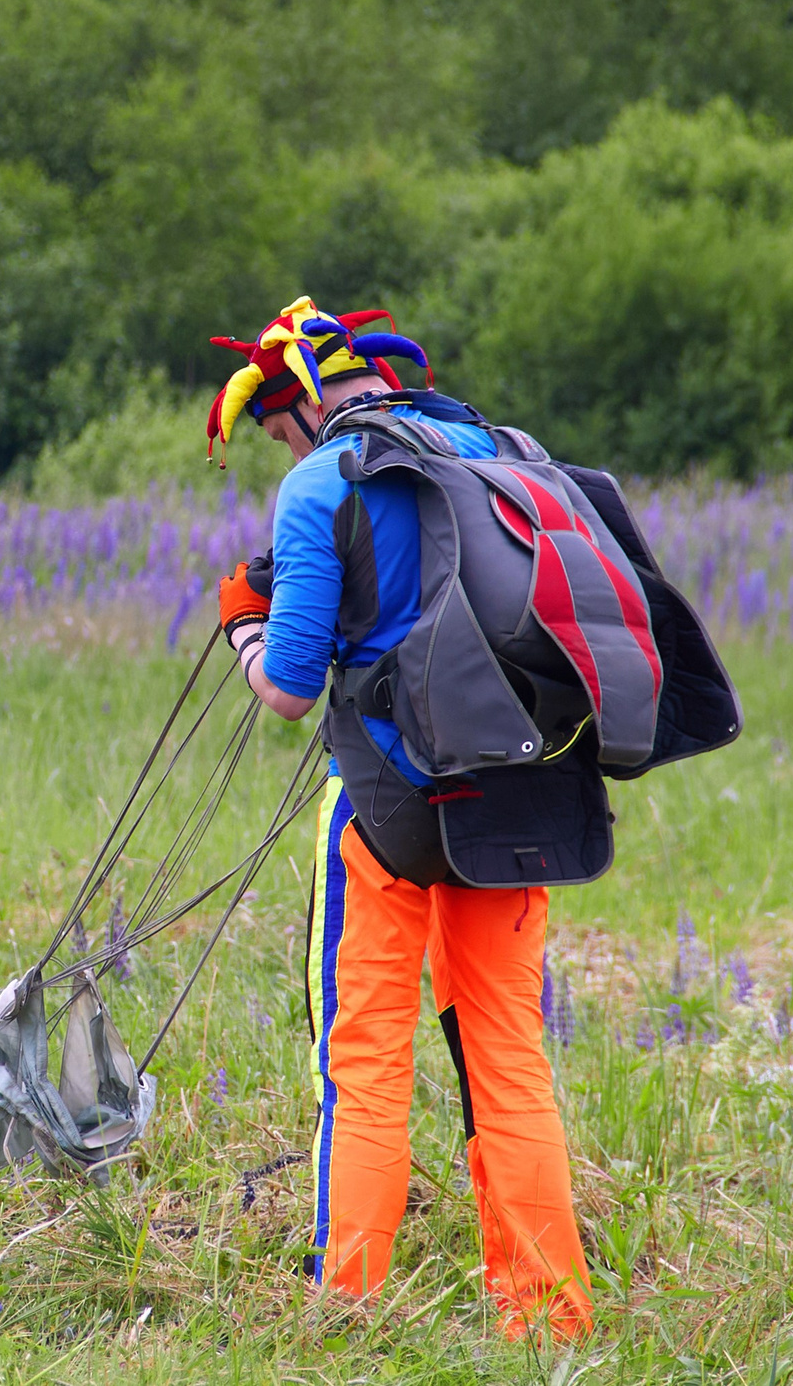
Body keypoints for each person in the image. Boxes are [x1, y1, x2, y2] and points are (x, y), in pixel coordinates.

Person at [207, 297, 594, 1341]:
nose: (277, 450)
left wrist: (246, 621)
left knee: (367, 1049)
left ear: (293, 405)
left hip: (390, 811)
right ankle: (550, 1319)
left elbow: (289, 688)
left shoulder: (318, 479)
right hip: (521, 792)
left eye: (274, 431)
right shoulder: (499, 451)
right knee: (507, 1050)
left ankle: (349, 1306)